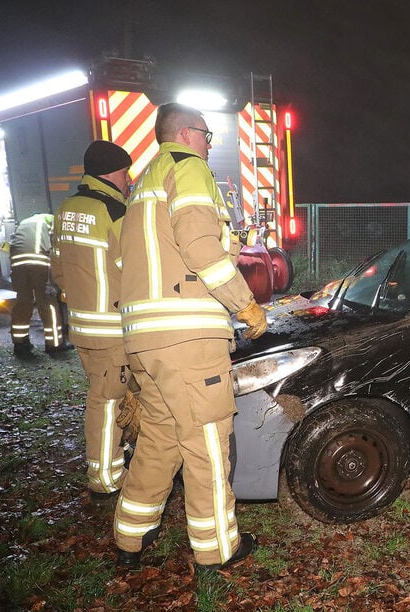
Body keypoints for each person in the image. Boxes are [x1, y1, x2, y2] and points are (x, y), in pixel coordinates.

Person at [114, 103, 268, 572]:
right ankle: (217, 548)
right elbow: (200, 246)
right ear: (185, 132)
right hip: (186, 336)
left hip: (145, 339)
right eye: (207, 134)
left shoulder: (145, 183)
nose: (210, 143)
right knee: (205, 440)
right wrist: (244, 302)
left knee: (160, 439)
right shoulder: (189, 167)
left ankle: (130, 535)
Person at [51, 140, 135, 503]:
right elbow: (133, 269)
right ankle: (105, 478)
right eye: (127, 172)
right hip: (112, 329)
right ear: (115, 172)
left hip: (83, 326)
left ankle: (119, 456)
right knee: (107, 401)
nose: (129, 179)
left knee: (111, 396)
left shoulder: (66, 208)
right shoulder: (115, 211)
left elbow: (58, 270)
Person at [9, 212, 65, 357]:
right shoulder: (52, 221)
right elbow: (57, 246)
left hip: (17, 264)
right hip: (38, 262)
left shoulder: (25, 222)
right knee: (47, 303)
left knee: (23, 302)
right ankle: (54, 344)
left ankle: (20, 344)